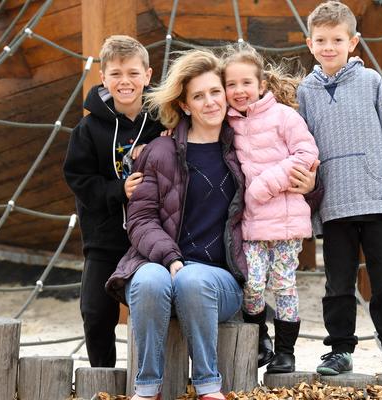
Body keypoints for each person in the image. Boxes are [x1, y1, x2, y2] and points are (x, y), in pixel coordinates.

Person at [105, 50, 318, 400]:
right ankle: (147, 389)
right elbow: (141, 220)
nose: (210, 102)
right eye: (198, 96)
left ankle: (207, 385)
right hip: (160, 264)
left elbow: (292, 178)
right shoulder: (160, 151)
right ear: (185, 105)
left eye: (215, 92)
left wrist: (310, 184)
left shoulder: (242, 147)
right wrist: (171, 258)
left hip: (219, 278)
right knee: (147, 279)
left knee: (194, 278)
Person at [297, 1, 382, 379]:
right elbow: (306, 150)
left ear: (353, 42)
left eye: (337, 39)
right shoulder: (306, 92)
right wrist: (313, 210)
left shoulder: (371, 82)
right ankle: (340, 349)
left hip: (376, 198)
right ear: (309, 43)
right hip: (334, 203)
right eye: (321, 40)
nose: (329, 46)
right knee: (338, 284)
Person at [63, 35, 162, 367]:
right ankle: (102, 375)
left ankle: (150, 377)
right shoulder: (88, 129)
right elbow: (79, 179)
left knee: (153, 307)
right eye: (117, 74)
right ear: (103, 77)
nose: (125, 81)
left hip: (153, 236)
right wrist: (119, 190)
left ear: (148, 75)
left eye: (133, 73)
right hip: (105, 237)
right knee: (94, 311)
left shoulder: (165, 121)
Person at [222, 44, 319, 373]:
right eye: (231, 84)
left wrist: (265, 185)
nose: (239, 91)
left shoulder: (284, 117)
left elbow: (306, 155)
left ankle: (285, 351)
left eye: (246, 83)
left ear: (261, 84)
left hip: (286, 222)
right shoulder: (227, 125)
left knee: (284, 284)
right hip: (251, 225)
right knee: (252, 284)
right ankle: (260, 339)